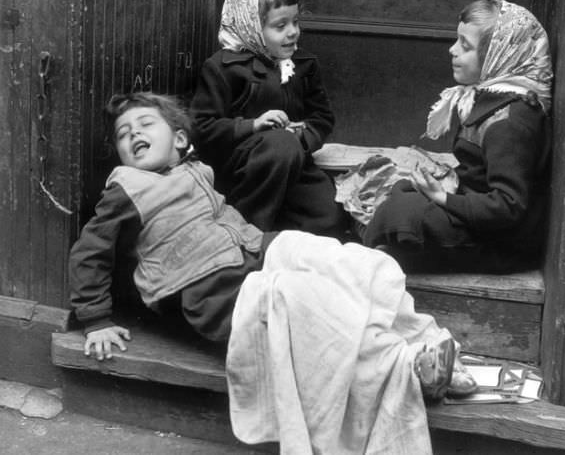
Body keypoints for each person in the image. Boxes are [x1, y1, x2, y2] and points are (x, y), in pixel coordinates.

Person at [69, 92, 476, 455]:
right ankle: (407, 367)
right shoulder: (126, 187)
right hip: (211, 291)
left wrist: (276, 247)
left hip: (251, 254)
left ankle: (423, 339)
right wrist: (94, 320)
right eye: (124, 134)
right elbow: (91, 250)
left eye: (144, 125)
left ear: (178, 139)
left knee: (341, 258)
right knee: (308, 300)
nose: (133, 135)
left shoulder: (193, 170)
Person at [363, 0, 553, 273]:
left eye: (465, 45)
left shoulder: (510, 123)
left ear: (497, 56)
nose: (452, 50)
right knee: (402, 189)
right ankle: (382, 246)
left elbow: (508, 207)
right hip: (478, 213)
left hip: (501, 242)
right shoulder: (491, 98)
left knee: (403, 214)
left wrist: (443, 199)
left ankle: (376, 255)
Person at [189, 0, 345, 237]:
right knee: (279, 144)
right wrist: (252, 125)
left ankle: (282, 245)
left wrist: (303, 138)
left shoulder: (303, 65)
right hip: (244, 171)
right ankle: (248, 233)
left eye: (295, 22)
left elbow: (322, 117)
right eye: (280, 26)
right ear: (251, 26)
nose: (293, 32)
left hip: (294, 160)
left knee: (328, 219)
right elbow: (202, 127)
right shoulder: (223, 68)